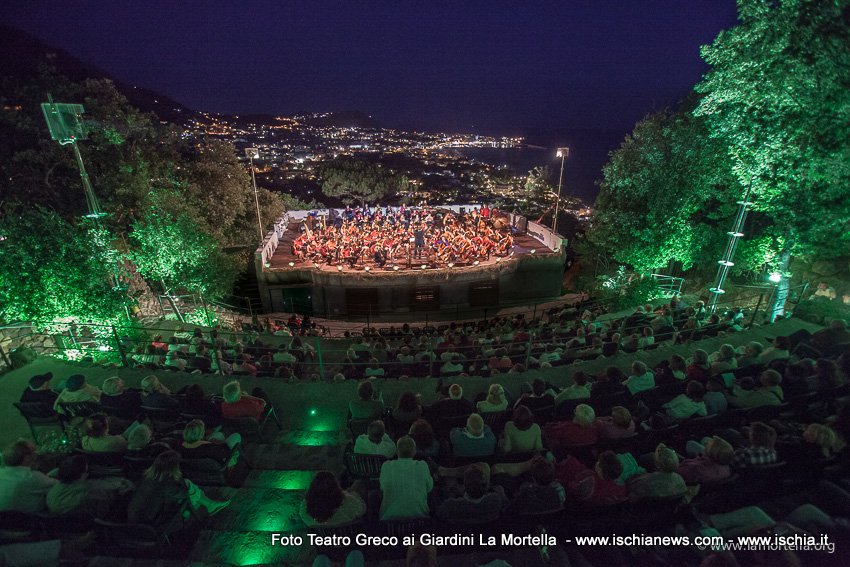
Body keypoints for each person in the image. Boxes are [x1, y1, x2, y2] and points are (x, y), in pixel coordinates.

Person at [127, 450, 229, 534]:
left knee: (189, 489)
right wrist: (181, 479)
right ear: (173, 467)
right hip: (152, 524)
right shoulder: (167, 485)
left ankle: (208, 504)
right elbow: (184, 494)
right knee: (190, 492)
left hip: (135, 518)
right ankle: (208, 506)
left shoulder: (146, 478)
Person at [45, 454, 132, 516]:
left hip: (66, 528)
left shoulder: (52, 493)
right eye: (86, 471)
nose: (87, 474)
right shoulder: (88, 494)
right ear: (81, 474)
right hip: (87, 527)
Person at [379, 437, 433, 520]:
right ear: (414, 452)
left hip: (388, 520)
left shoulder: (386, 466)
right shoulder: (422, 465)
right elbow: (429, 488)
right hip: (420, 519)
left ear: (396, 451)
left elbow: (382, 487)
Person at [436, 463, 507, 521]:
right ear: (486, 486)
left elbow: (438, 514)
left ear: (464, 486)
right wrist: (502, 494)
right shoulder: (495, 501)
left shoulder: (450, 506)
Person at [0, 440, 57, 512]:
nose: (37, 454)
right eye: (34, 452)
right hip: (33, 520)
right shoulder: (30, 477)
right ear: (26, 458)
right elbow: (59, 486)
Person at [555, 451, 627, 506]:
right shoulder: (622, 487)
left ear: (600, 469)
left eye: (598, 462)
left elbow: (572, 489)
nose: (596, 462)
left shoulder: (589, 482)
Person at [299, 471, 367, 527]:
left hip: (323, 540)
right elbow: (362, 509)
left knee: (355, 484)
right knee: (360, 484)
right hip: (348, 537)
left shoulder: (305, 508)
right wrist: (348, 495)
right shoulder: (348, 504)